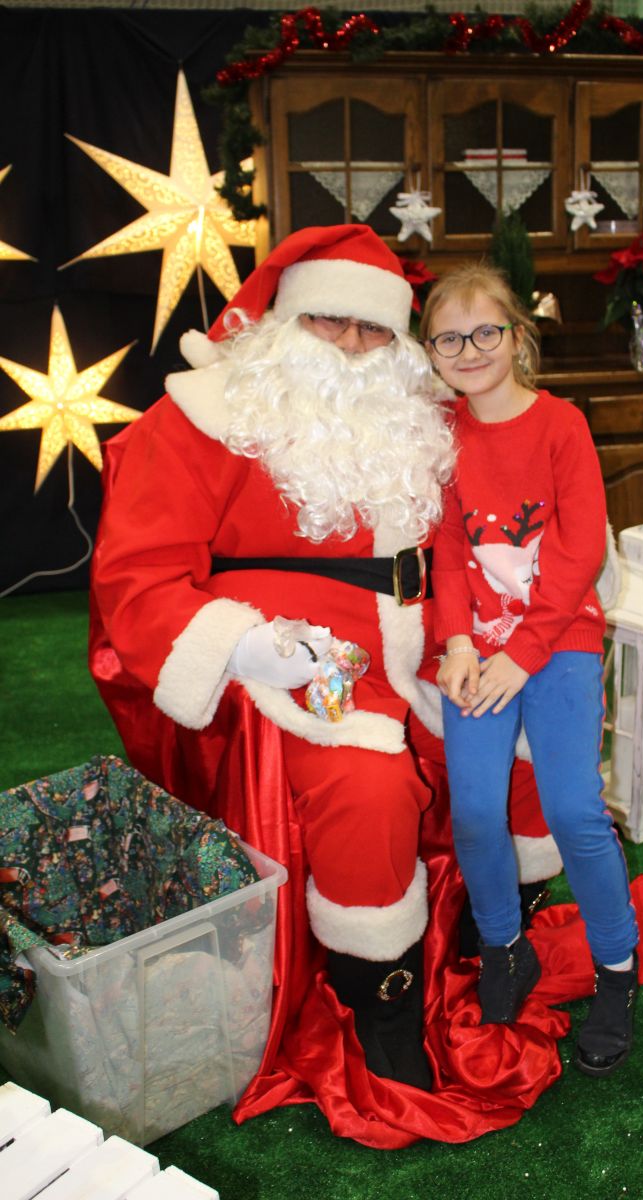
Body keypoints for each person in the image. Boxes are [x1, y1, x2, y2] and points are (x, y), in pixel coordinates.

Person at [88, 226, 563, 1128]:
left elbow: (514, 508)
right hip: (292, 656)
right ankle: (382, 1000)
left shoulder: (430, 416)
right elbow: (136, 578)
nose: (351, 344)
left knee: (536, 739)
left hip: (435, 638)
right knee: (367, 786)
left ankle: (489, 936)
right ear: (284, 320)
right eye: (329, 321)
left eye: (373, 328)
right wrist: (240, 645)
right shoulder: (202, 415)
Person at [420, 262, 640, 1077]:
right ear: (431, 351)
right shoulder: (442, 434)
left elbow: (580, 553)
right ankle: (505, 947)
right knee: (477, 810)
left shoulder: (561, 426)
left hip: (558, 640)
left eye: (485, 331)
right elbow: (447, 547)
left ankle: (618, 969)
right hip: (476, 651)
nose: (469, 349)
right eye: (449, 338)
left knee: (574, 809)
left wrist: (524, 651)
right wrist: (457, 642)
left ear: (517, 336)